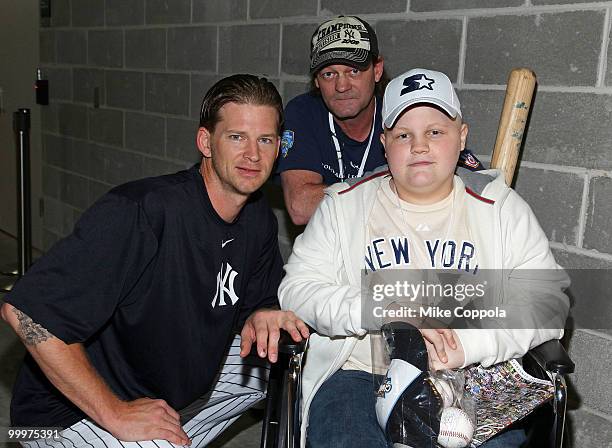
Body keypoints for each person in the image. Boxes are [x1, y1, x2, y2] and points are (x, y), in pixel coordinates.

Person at [1, 74, 309, 448]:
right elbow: (26, 312)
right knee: (158, 440)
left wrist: (261, 312)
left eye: (265, 140)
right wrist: (116, 413)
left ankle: (164, 432)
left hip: (162, 387)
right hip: (61, 418)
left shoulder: (256, 216)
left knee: (288, 358)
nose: (253, 155)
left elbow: (259, 302)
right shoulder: (143, 211)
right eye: (236, 137)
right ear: (205, 142)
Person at [278, 68, 569, 447]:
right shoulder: (343, 205)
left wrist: (468, 346)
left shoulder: (500, 208)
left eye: (435, 131)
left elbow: (548, 303)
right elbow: (297, 289)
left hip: (473, 377)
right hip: (361, 375)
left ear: (461, 136)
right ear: (384, 143)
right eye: (403, 134)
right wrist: (378, 307)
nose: (419, 146)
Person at [277, 16, 483, 225]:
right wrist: (399, 188)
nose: (341, 86)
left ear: (377, 70)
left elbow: (480, 191)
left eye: (354, 71)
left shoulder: (400, 111)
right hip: (329, 248)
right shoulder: (304, 111)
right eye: (329, 74)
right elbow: (300, 207)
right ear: (316, 81)